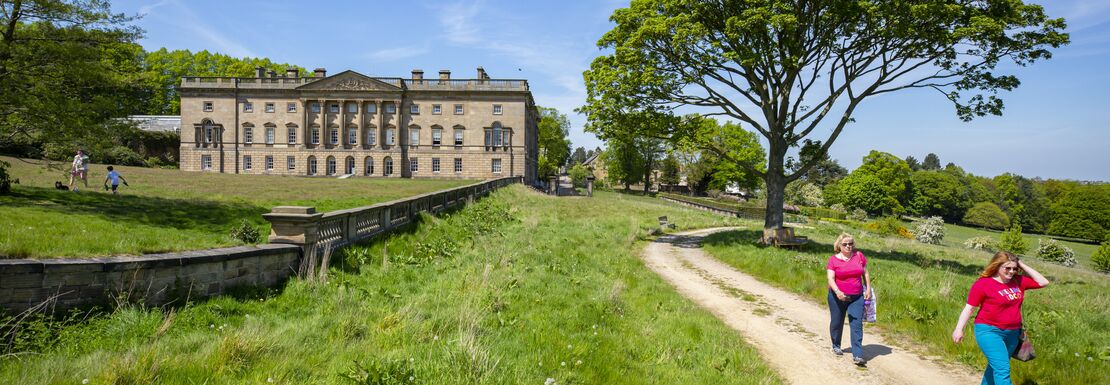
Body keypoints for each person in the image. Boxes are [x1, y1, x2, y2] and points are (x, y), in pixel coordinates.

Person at [952, 251, 1049, 385]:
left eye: (1014, 269)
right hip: (989, 331)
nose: (1011, 271)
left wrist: (1019, 262)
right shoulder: (983, 284)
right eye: (1007, 268)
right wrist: (959, 329)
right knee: (1002, 369)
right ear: (997, 266)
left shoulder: (1018, 281)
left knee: (995, 368)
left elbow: (1043, 282)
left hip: (1012, 333)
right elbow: (969, 308)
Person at [826, 232, 872, 366]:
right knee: (837, 322)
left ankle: (857, 355)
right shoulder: (833, 260)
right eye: (845, 244)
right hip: (837, 297)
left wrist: (868, 288)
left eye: (851, 243)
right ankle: (836, 344)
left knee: (857, 324)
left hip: (857, 297)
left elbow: (865, 272)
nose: (848, 246)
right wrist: (837, 291)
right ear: (839, 245)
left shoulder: (859, 256)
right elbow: (830, 278)